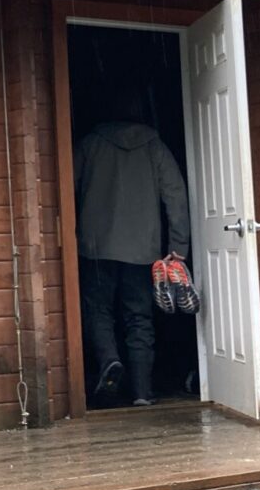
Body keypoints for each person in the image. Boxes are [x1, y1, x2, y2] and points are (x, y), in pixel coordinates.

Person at [73, 86, 190, 407]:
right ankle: (141, 391)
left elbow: (65, 185)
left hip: (95, 247)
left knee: (98, 311)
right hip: (143, 250)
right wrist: (178, 246)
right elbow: (175, 196)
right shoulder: (155, 147)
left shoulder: (90, 144)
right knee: (139, 317)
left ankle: (110, 360)